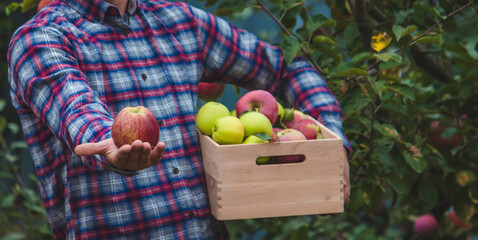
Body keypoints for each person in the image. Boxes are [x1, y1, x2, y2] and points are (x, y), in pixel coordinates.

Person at [6, 0, 351, 238]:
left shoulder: (181, 22)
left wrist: (333, 140)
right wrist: (111, 142)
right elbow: (75, 108)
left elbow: (286, 66)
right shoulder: (40, 40)